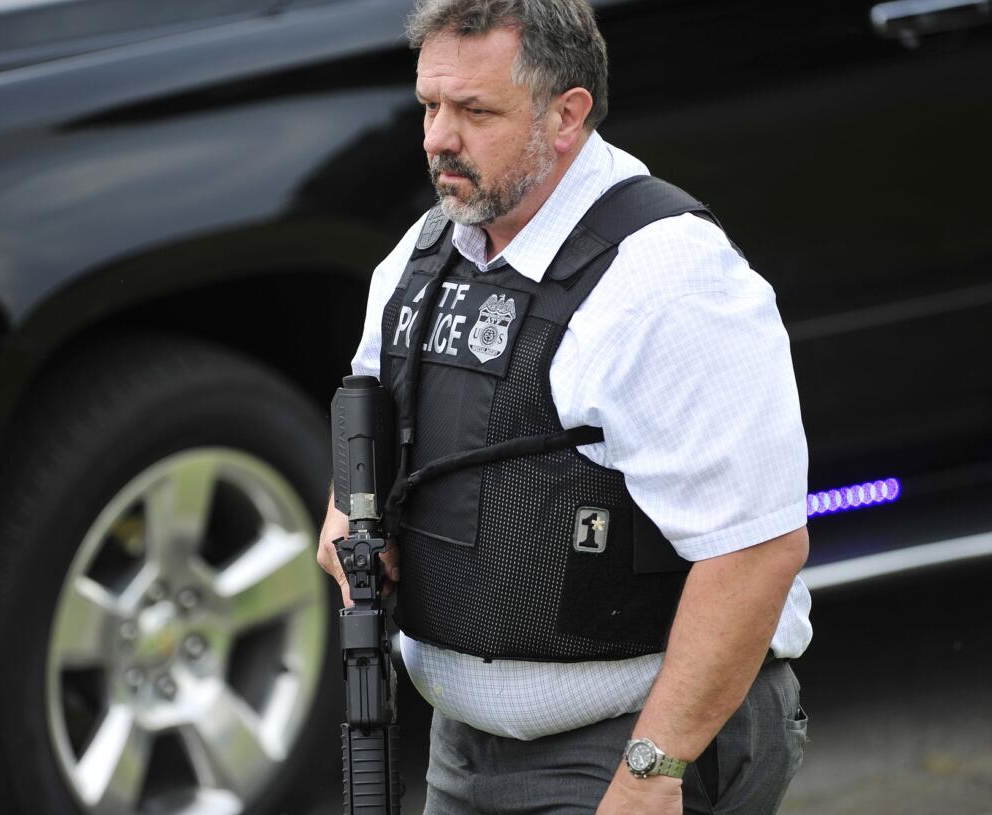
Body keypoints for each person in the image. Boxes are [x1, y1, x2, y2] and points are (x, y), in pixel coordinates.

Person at [316, 1, 812, 812]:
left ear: (566, 116)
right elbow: (372, 417)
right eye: (430, 106)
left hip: (627, 745)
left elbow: (755, 551)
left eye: (476, 111)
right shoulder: (421, 257)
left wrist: (653, 771)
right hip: (460, 750)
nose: (439, 137)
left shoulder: (666, 281)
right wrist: (346, 515)